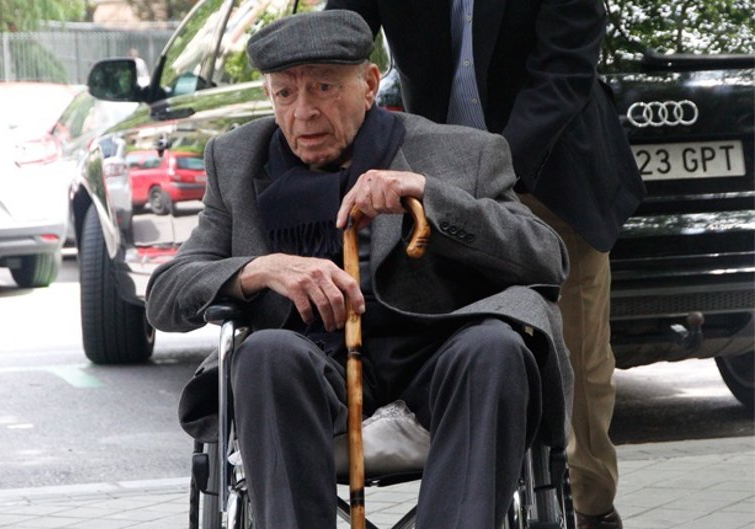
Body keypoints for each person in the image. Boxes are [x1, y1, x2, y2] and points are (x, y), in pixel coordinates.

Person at [147, 10, 572, 529]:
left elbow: (547, 258)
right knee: (264, 353)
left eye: (324, 88)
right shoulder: (237, 160)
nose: (303, 112)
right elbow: (166, 294)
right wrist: (260, 269)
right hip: (311, 374)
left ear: (370, 85)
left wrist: (429, 196)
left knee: (496, 347)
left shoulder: (461, 152)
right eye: (285, 93)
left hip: (433, 363)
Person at [324, 1, 646, 527]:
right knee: (456, 339)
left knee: (576, 354)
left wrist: (483, 179)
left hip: (549, 173)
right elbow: (333, 38)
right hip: (432, 179)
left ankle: (592, 508)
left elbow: (564, 72)